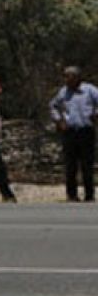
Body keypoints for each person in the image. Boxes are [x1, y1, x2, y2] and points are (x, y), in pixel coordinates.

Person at [49, 65, 98, 202]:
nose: (66, 79)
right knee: (70, 165)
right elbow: (53, 106)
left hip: (86, 131)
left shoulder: (89, 90)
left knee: (87, 165)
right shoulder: (63, 92)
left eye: (68, 76)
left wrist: (96, 114)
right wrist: (59, 121)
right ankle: (72, 195)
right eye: (65, 76)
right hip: (70, 132)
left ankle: (89, 195)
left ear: (77, 77)